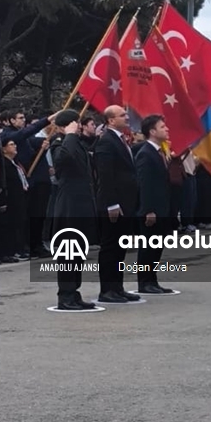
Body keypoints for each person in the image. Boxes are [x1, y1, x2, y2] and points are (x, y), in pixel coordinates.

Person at [49, 110, 98, 310]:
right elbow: (63, 160)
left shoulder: (76, 142)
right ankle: (65, 295)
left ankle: (74, 292)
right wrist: (68, 135)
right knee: (68, 252)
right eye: (76, 123)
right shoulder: (59, 143)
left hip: (81, 203)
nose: (79, 126)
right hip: (69, 204)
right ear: (65, 125)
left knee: (78, 252)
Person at [93, 105, 142, 303]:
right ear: (111, 120)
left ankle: (118, 287)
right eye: (122, 115)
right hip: (114, 204)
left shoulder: (121, 140)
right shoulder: (107, 141)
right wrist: (111, 203)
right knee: (110, 248)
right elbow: (105, 175)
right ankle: (107, 290)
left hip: (126, 202)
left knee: (120, 248)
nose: (127, 117)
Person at [134, 114, 177, 294]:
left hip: (162, 207)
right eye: (162, 127)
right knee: (148, 247)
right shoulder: (146, 153)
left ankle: (153, 280)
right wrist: (148, 210)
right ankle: (144, 282)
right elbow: (145, 184)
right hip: (152, 210)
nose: (166, 129)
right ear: (152, 132)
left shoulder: (159, 151)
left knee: (156, 246)